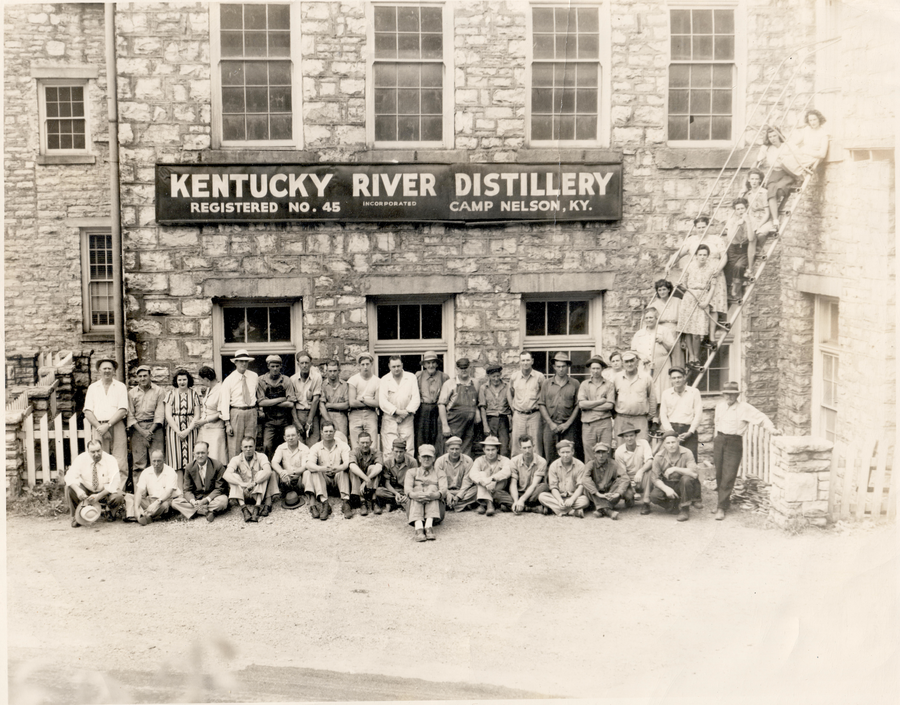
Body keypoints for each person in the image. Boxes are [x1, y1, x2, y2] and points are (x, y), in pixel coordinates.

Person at [713, 381, 780, 520]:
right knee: (719, 473)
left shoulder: (744, 408)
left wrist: (772, 429)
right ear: (723, 394)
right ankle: (723, 502)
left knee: (729, 474)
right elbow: (717, 423)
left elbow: (761, 418)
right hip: (720, 440)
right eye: (727, 394)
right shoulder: (720, 407)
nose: (729, 397)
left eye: (732, 394)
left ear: (737, 395)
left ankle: (721, 507)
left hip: (734, 442)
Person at [766, 109, 829, 230]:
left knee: (786, 160)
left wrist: (805, 150)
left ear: (819, 119)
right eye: (810, 120)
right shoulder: (806, 130)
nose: (812, 122)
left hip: (813, 157)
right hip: (802, 154)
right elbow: (794, 142)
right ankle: (799, 174)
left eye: (814, 119)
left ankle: (800, 174)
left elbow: (822, 154)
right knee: (783, 158)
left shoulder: (824, 134)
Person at [83, 358, 130, 484]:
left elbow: (123, 409)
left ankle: (119, 494)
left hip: (117, 425)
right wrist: (101, 427)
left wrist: (108, 425)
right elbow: (87, 411)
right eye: (104, 368)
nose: (107, 371)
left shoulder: (120, 387)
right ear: (99, 370)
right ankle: (101, 491)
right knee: (99, 458)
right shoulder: (93, 388)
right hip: (98, 427)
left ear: (114, 371)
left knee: (119, 460)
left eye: (110, 368)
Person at [675, 244, 720, 369]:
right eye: (700, 254)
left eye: (705, 255)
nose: (702, 257)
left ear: (707, 256)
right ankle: (692, 357)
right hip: (689, 298)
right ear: (696, 256)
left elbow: (713, 287)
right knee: (688, 330)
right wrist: (681, 286)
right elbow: (683, 285)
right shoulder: (689, 267)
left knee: (697, 332)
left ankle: (696, 355)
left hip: (703, 298)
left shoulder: (712, 269)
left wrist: (706, 302)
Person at [64, 440, 125, 528]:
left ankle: (110, 512)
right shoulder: (81, 459)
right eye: (93, 452)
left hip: (104, 491)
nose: (96, 454)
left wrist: (100, 495)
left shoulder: (110, 459)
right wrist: (78, 491)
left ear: (102, 449)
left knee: (119, 495)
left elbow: (114, 482)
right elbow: (69, 476)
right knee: (70, 488)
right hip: (86, 491)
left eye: (98, 451)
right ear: (88, 451)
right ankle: (76, 516)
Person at [647, 432, 702, 522]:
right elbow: (655, 478)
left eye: (673, 442)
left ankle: (685, 509)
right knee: (654, 496)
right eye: (668, 443)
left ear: (678, 442)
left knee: (686, 479)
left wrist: (675, 469)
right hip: (668, 483)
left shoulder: (687, 452)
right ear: (664, 445)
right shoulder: (658, 456)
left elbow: (694, 474)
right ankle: (673, 507)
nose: (671, 445)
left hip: (683, 483)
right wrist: (666, 489)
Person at [223, 436, 279, 522]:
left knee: (263, 473)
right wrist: (241, 483)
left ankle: (257, 507)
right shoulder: (236, 459)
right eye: (245, 447)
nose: (248, 449)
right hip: (243, 494)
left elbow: (268, 471)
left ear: (254, 446)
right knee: (234, 476)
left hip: (258, 493)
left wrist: (255, 482)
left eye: (250, 446)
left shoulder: (261, 456)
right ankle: (244, 509)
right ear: (241, 448)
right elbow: (226, 474)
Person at [539, 352, 581, 464]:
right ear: (554, 367)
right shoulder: (546, 384)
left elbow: (578, 405)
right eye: (558, 366)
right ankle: (550, 481)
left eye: (563, 366)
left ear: (567, 367)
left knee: (569, 455)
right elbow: (541, 404)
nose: (561, 369)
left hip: (569, 427)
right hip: (550, 426)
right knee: (550, 455)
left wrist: (567, 424)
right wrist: (550, 423)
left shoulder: (575, 383)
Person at [305, 420, 353, 520]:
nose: (328, 434)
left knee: (343, 470)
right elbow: (309, 464)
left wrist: (338, 468)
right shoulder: (316, 447)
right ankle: (325, 503)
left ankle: (345, 502)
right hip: (324, 481)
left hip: (338, 480)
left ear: (334, 432)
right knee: (314, 471)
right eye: (326, 431)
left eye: (331, 431)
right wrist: (321, 468)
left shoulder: (343, 445)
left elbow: (347, 462)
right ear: (321, 433)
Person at [172, 441, 229, 522]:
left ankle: (193, 512)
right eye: (198, 453)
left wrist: (205, 500)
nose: (200, 456)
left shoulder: (218, 465)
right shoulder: (189, 467)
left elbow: (220, 489)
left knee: (223, 501)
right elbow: (187, 490)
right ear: (193, 454)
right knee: (175, 502)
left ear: (207, 453)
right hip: (196, 498)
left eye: (203, 453)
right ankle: (206, 512)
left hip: (212, 498)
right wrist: (193, 501)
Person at [127, 365, 165, 485]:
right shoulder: (132, 393)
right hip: (138, 429)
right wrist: (142, 432)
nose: (143, 378)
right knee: (139, 464)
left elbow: (160, 414)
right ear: (137, 378)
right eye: (140, 376)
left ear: (150, 376)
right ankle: (139, 494)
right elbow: (130, 415)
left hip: (155, 428)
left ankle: (158, 492)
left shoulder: (159, 391)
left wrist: (150, 431)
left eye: (145, 376)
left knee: (157, 461)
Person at [219, 349, 259, 460]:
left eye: (246, 361)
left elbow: (256, 394)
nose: (243, 363)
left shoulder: (254, 376)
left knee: (250, 443)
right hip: (236, 413)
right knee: (235, 446)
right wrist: (227, 423)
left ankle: (251, 470)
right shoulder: (229, 380)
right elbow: (224, 402)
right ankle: (235, 473)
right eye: (240, 361)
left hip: (251, 412)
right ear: (235, 362)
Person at [164, 368, 201, 485]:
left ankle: (190, 488)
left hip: (191, 429)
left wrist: (188, 430)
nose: (182, 382)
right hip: (174, 430)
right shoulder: (170, 394)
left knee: (191, 457)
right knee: (176, 459)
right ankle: (179, 489)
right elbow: (168, 415)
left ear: (188, 380)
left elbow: (197, 414)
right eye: (179, 380)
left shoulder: (194, 394)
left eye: (184, 379)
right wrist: (178, 431)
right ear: (176, 381)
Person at [256, 354, 298, 459]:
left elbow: (290, 404)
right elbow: (261, 402)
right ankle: (269, 467)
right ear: (268, 366)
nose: (275, 369)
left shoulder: (286, 380)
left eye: (277, 366)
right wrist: (282, 399)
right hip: (269, 421)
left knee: (286, 445)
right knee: (267, 445)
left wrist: (269, 401)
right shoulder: (261, 380)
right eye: (272, 366)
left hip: (284, 420)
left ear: (280, 367)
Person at [405, 444, 447, 542]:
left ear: (434, 458)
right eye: (424, 457)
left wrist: (433, 495)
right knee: (417, 490)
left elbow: (444, 490)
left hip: (436, 513)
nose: (426, 459)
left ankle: (429, 526)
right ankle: (419, 527)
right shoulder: (411, 472)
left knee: (432, 488)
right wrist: (416, 495)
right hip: (413, 513)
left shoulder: (440, 472)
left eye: (429, 457)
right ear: (419, 458)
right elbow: (407, 490)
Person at [659, 366, 703, 460]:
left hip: (689, 431)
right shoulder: (666, 393)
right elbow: (663, 415)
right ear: (670, 379)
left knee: (690, 460)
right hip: (672, 430)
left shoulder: (694, 392)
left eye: (679, 377)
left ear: (684, 377)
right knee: (672, 460)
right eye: (674, 378)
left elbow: (698, 414)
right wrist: (671, 433)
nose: (677, 380)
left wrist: (690, 432)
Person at [379, 355, 421, 454]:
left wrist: (403, 414)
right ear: (389, 366)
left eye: (398, 366)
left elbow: (416, 399)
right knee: (389, 448)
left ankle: (409, 470)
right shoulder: (385, 379)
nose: (396, 369)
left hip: (407, 418)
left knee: (408, 448)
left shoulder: (411, 377)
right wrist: (397, 412)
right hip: (390, 418)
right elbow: (383, 401)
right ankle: (389, 470)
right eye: (394, 367)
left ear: (402, 365)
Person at [631, 307, 676, 399]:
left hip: (662, 364)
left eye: (651, 317)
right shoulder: (639, 333)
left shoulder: (664, 331)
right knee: (645, 391)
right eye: (647, 318)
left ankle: (661, 411)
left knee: (662, 391)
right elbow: (633, 350)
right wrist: (641, 356)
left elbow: (672, 348)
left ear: (656, 318)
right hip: (645, 366)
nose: (649, 320)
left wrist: (663, 341)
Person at [612, 351, 658, 440]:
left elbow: (652, 398)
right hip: (621, 418)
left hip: (640, 419)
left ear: (637, 362)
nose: (629, 364)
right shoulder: (617, 378)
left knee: (641, 446)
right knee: (621, 447)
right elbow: (612, 397)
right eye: (626, 361)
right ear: (622, 363)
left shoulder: (646, 378)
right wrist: (615, 416)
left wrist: (649, 417)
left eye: (632, 361)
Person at [438, 357, 479, 457]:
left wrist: (477, 413)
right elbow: (441, 405)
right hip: (453, 424)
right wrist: (445, 425)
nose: (464, 370)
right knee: (451, 450)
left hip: (469, 425)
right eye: (461, 368)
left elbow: (476, 401)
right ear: (457, 369)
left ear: (470, 368)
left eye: (466, 368)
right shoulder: (449, 384)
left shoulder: (475, 383)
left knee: (466, 452)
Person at [577, 355, 615, 463]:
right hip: (588, 424)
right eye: (593, 368)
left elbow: (609, 406)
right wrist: (599, 402)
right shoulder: (584, 384)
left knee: (605, 452)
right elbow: (582, 405)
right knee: (589, 454)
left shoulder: (609, 385)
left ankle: (606, 479)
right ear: (590, 369)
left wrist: (590, 406)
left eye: (598, 368)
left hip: (604, 423)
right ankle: (589, 478)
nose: (595, 371)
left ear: (602, 369)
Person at [538, 440, 589, 517]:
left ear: (572, 452)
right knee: (542, 496)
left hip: (574, 497)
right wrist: (559, 500)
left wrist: (572, 499)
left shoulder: (580, 465)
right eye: (563, 452)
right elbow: (553, 487)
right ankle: (572, 511)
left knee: (585, 500)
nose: (565, 455)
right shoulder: (554, 465)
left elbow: (580, 486)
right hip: (558, 496)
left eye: (568, 452)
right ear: (559, 453)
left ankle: (555, 509)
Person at [508, 351, 544, 457]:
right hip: (519, 415)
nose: (525, 363)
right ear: (519, 362)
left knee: (535, 444)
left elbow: (544, 394)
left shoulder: (539, 377)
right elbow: (509, 393)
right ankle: (516, 471)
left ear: (532, 361)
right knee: (516, 444)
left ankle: (537, 471)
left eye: (528, 360)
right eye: (523, 360)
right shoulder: (514, 377)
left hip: (534, 414)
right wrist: (513, 408)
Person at [465, 436, 513, 515]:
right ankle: (489, 504)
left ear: (497, 449)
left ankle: (483, 504)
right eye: (488, 450)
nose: (490, 453)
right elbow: (473, 473)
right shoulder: (479, 460)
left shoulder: (505, 460)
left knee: (491, 479)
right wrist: (482, 481)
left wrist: (492, 479)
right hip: (484, 485)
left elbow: (506, 472)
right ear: (483, 450)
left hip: (498, 486)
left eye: (493, 450)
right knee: (481, 474)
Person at [131, 449, 180, 525]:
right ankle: (140, 515)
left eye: (159, 461)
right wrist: (137, 508)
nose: (156, 464)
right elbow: (139, 492)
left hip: (165, 500)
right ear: (151, 460)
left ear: (163, 460)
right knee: (130, 497)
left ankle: (144, 516)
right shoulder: (146, 472)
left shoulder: (170, 471)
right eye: (154, 461)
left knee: (165, 506)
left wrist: (157, 503)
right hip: (150, 500)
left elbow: (169, 493)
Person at [582, 442, 629, 520]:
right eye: (598, 452)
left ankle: (600, 510)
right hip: (595, 494)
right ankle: (608, 511)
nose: (601, 456)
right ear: (594, 454)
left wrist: (618, 493)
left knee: (620, 480)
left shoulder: (613, 464)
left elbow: (625, 478)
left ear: (607, 454)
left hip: (609, 493)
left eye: (603, 452)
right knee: (586, 485)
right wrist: (598, 494)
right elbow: (585, 479)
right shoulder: (590, 464)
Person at [742, 168, 775, 275]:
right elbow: (749, 211)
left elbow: (767, 213)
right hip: (753, 219)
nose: (754, 181)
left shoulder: (764, 193)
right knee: (751, 239)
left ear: (760, 180)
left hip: (765, 220)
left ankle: (759, 248)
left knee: (760, 234)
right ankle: (750, 268)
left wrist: (759, 225)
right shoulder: (748, 194)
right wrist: (752, 223)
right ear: (749, 180)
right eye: (752, 179)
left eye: (757, 179)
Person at [415, 351, 449, 455]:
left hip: (438, 409)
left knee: (437, 436)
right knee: (421, 437)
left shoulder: (444, 377)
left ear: (437, 364)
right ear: (424, 365)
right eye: (428, 363)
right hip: (422, 409)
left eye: (433, 362)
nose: (431, 365)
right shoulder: (418, 376)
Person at [614, 423, 654, 508]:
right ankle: (630, 496)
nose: (629, 438)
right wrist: (630, 484)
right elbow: (622, 473)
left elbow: (650, 461)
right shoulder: (619, 451)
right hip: (628, 480)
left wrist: (640, 471)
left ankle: (646, 502)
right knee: (629, 501)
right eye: (626, 436)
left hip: (642, 477)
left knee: (650, 472)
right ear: (623, 438)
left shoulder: (644, 443)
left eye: (631, 435)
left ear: (636, 435)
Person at [194, 365, 228, 465]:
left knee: (215, 457)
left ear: (206, 379)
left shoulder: (221, 389)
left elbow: (221, 412)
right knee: (203, 458)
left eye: (201, 380)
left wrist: (205, 421)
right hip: (205, 429)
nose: (201, 383)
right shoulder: (209, 389)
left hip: (216, 430)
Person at [508, 435, 549, 514]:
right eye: (524, 448)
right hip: (519, 492)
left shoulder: (541, 461)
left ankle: (519, 506)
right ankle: (530, 508)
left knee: (544, 487)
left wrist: (522, 500)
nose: (527, 451)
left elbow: (534, 484)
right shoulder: (514, 461)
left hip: (533, 493)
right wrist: (516, 500)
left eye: (529, 447)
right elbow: (513, 483)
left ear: (533, 446)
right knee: (501, 493)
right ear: (520, 448)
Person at [374, 438, 417, 513]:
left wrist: (407, 494)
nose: (398, 454)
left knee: (417, 492)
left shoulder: (412, 462)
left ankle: (394, 503)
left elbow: (415, 481)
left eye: (401, 452)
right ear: (392, 450)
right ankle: (400, 502)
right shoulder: (387, 462)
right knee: (379, 491)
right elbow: (387, 483)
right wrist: (396, 493)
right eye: (396, 451)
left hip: (407, 490)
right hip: (393, 491)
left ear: (405, 451)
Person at [723, 197, 754, 302]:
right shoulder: (732, 221)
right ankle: (727, 291)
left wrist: (748, 222)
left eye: (742, 208)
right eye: (738, 209)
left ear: (746, 208)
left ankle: (735, 291)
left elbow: (751, 238)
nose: (741, 211)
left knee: (739, 266)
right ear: (735, 211)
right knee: (728, 267)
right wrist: (736, 225)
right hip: (733, 248)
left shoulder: (751, 219)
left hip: (744, 249)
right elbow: (729, 238)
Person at [271, 425, 309, 508]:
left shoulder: (304, 448)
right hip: (286, 480)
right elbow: (274, 462)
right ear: (284, 438)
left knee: (307, 472)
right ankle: (274, 496)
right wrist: (282, 473)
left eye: (293, 435)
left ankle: (309, 494)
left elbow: (305, 466)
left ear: (298, 436)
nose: (290, 438)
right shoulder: (281, 447)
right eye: (288, 436)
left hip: (298, 479)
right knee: (274, 473)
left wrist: (292, 472)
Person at [347, 352, 380, 449]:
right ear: (359, 366)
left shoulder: (377, 381)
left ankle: (373, 463)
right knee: (356, 443)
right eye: (363, 364)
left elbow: (377, 403)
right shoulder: (353, 380)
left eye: (367, 364)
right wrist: (370, 401)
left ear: (371, 364)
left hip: (371, 414)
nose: (365, 367)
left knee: (372, 442)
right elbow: (352, 402)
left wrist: (363, 400)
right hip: (355, 414)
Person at [478, 364, 511, 458]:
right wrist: (485, 426)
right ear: (488, 376)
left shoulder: (507, 386)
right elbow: (482, 407)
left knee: (504, 448)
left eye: (498, 376)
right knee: (490, 447)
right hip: (490, 420)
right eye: (493, 376)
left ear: (500, 374)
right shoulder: (484, 388)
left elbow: (511, 405)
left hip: (503, 420)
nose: (496, 379)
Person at [649, 279, 683, 369]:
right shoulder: (654, 305)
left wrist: (683, 337)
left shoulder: (677, 301)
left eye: (664, 289)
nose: (662, 292)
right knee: (662, 356)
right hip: (661, 331)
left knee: (676, 357)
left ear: (669, 290)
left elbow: (683, 319)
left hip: (675, 330)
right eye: (659, 290)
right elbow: (650, 320)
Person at [436, 435, 477, 512]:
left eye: (457, 449)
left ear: (461, 449)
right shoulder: (440, 461)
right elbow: (440, 481)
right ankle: (461, 505)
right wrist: (447, 494)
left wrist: (458, 496)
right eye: (452, 449)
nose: (454, 452)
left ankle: (448, 505)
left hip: (462, 491)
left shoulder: (468, 461)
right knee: (434, 489)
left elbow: (467, 481)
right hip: (445, 491)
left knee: (477, 489)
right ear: (447, 449)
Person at [291, 351, 322, 447]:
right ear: (298, 364)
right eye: (302, 363)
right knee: (299, 444)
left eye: (307, 363)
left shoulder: (317, 377)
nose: (304, 365)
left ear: (311, 364)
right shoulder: (292, 379)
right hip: (298, 413)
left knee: (313, 444)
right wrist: (296, 422)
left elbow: (316, 400)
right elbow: (291, 403)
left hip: (312, 413)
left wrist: (309, 420)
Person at [348, 431, 383, 516]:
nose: (365, 445)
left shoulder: (376, 452)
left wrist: (367, 480)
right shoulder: (353, 452)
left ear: (371, 442)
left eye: (367, 442)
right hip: (358, 481)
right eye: (362, 442)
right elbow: (352, 466)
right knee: (355, 470)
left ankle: (374, 501)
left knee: (373, 468)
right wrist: (366, 479)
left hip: (371, 482)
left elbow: (379, 467)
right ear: (357, 443)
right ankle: (362, 502)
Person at [320, 359, 350, 440]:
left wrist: (329, 405)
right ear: (326, 371)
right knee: (326, 442)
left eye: (334, 371)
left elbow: (346, 405)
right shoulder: (323, 385)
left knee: (342, 441)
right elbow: (321, 406)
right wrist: (329, 422)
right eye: (330, 371)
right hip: (326, 416)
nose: (332, 373)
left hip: (341, 417)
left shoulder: (345, 385)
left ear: (339, 371)